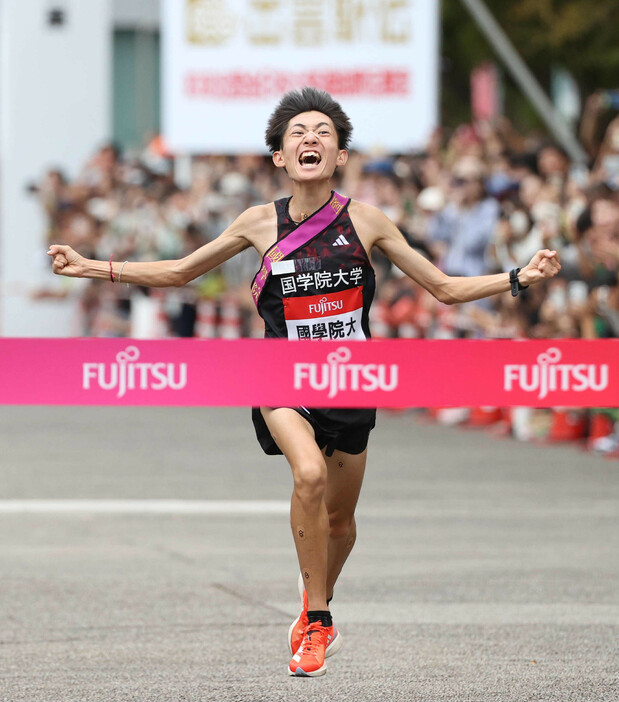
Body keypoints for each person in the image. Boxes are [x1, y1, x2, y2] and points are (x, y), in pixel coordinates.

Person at [48, 87, 561, 677]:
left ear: (340, 153)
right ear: (279, 157)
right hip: (280, 376)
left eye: (322, 132)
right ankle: (317, 625)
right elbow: (181, 271)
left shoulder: (367, 221)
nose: (310, 139)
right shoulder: (257, 221)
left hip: (349, 381)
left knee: (340, 524)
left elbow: (443, 287)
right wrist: (91, 266)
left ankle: (316, 603)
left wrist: (519, 277)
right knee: (309, 474)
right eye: (297, 133)